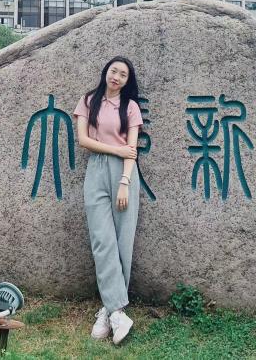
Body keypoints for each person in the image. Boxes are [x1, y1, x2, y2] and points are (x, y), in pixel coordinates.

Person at [72, 56, 144, 345]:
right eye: (114, 71)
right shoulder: (88, 101)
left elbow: (132, 150)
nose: (117, 77)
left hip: (124, 175)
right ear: (105, 72)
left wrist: (125, 182)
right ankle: (117, 312)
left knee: (122, 242)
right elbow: (83, 140)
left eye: (123, 75)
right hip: (96, 170)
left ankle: (109, 310)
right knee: (102, 240)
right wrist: (116, 149)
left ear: (127, 81)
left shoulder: (131, 107)